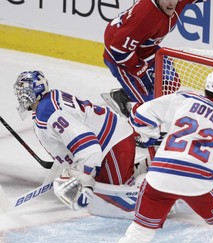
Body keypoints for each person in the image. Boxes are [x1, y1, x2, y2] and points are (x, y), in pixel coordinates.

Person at [115, 68, 213, 243]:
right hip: (198, 182)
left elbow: (141, 114)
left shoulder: (184, 99)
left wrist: (151, 135)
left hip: (158, 175)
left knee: (140, 231)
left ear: (206, 86)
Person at [103, 0, 213, 116]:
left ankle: (127, 94)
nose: (172, 2)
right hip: (121, 57)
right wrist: (141, 72)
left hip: (146, 49)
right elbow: (118, 49)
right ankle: (131, 116)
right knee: (152, 108)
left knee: (171, 84)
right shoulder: (144, 17)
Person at [13, 70, 138, 213]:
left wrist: (83, 173)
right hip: (111, 140)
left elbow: (87, 143)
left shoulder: (49, 112)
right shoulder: (48, 102)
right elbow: (67, 141)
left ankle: (153, 182)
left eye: (25, 90)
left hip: (111, 145)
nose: (21, 95)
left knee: (117, 202)